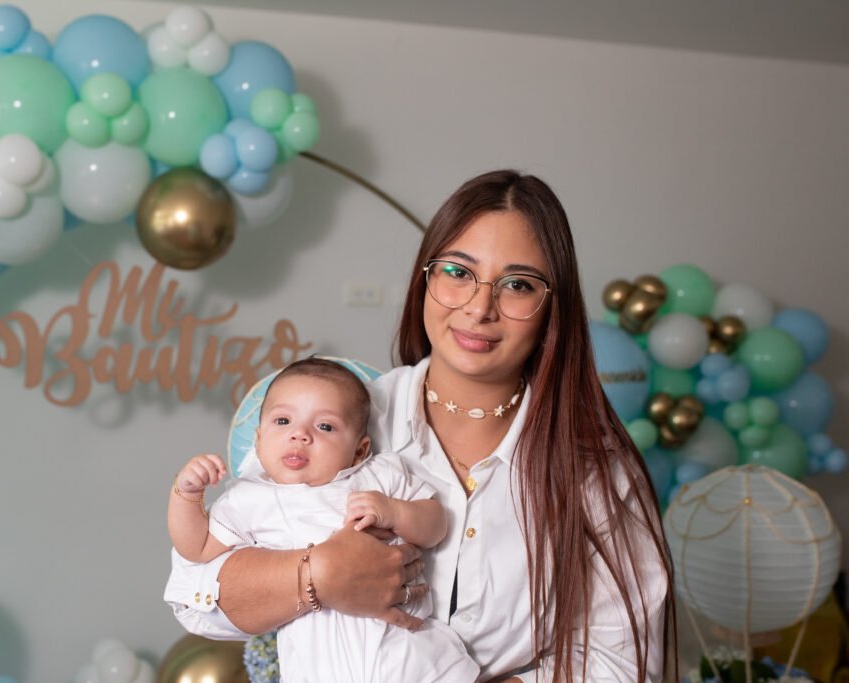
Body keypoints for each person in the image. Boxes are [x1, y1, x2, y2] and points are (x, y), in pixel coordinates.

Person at [165, 169, 675, 682]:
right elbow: (197, 597)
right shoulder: (330, 423)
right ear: (425, 279)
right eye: (458, 272)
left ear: (552, 308)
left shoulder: (592, 464)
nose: (480, 307)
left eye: (518, 285)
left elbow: (623, 662)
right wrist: (317, 575)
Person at [168, 358, 480, 682]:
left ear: (359, 450)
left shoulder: (378, 474)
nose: (299, 434)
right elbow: (198, 548)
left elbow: (435, 526)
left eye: (325, 426)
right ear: (258, 441)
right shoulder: (249, 498)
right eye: (283, 420)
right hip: (320, 668)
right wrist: (187, 494)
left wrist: (396, 511)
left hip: (410, 656)